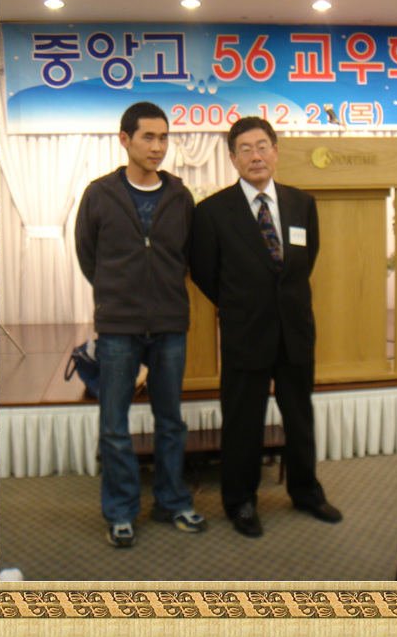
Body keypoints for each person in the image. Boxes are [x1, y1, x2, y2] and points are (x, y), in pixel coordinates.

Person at [189, 116, 342, 537]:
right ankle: (240, 501)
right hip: (245, 330)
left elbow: (304, 260)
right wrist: (240, 303)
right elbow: (204, 272)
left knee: (300, 417)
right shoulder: (212, 212)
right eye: (245, 149)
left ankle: (307, 492)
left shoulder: (301, 203)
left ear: (275, 151)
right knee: (243, 422)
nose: (255, 156)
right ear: (232, 158)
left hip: (295, 329)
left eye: (262, 146)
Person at [75, 101, 207, 547]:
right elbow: (88, 256)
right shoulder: (99, 194)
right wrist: (116, 295)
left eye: (164, 137)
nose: (158, 146)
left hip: (170, 323)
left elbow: (187, 255)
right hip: (118, 327)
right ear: (125, 139)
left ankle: (172, 500)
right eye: (148, 137)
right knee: (114, 424)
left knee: (171, 422)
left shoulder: (180, 196)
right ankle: (120, 511)